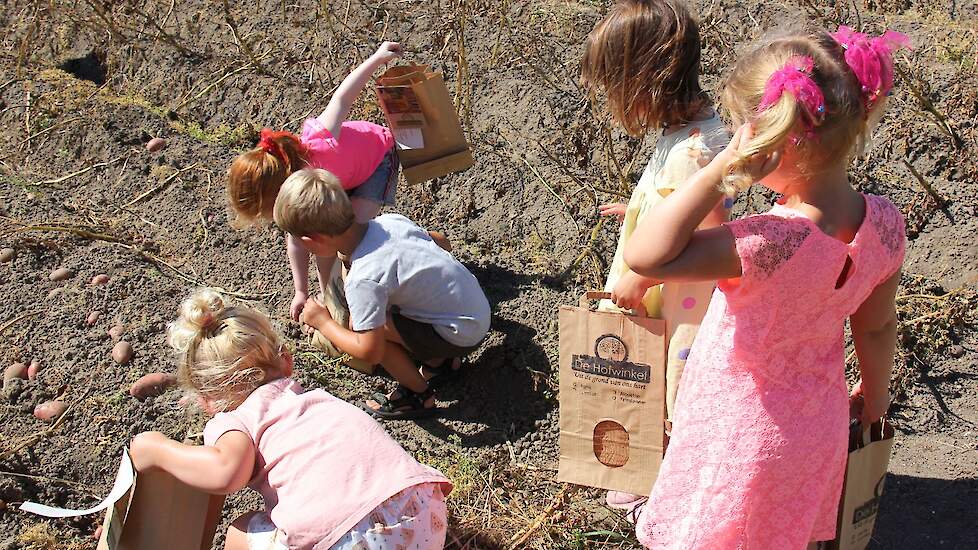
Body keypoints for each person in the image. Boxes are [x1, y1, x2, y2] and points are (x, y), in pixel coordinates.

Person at [621, 25, 909, 548]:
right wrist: (875, 397)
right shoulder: (887, 224)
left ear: (767, 140)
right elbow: (876, 327)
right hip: (814, 426)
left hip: (736, 427)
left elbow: (644, 254)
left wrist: (719, 168)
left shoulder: (764, 245)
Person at [127, 289, 452, 550]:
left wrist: (154, 449)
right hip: (422, 513)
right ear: (286, 362)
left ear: (208, 401)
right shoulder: (313, 400)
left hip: (353, 539)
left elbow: (226, 472)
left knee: (240, 533)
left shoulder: (236, 419)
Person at [579, 0, 731, 511]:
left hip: (678, 305)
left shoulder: (695, 151)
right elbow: (680, 210)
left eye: (614, 86)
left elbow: (706, 240)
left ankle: (662, 487)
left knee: (666, 383)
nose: (611, 99)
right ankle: (646, 468)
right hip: (659, 287)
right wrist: (639, 208)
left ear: (645, 79)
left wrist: (642, 282)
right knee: (640, 375)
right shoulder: (686, 137)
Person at [227, 41, 449, 322]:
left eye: (269, 210)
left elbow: (343, 97)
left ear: (279, 188)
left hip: (376, 160)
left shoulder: (318, 143)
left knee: (350, 237)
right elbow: (297, 238)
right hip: (339, 180)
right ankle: (333, 297)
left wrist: (377, 58)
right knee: (323, 236)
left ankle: (419, 249)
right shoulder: (296, 191)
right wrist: (301, 291)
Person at [273, 168, 491, 419]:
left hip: (461, 335)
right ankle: (439, 361)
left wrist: (323, 322)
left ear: (312, 242)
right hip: (475, 310)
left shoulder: (363, 278)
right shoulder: (390, 222)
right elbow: (439, 241)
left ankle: (418, 395)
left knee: (360, 330)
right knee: (373, 316)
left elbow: (370, 351)